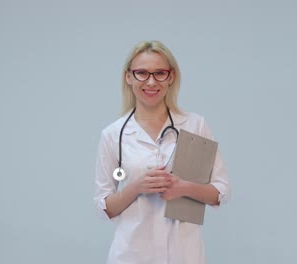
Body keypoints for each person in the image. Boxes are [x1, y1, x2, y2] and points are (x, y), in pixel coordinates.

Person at [94, 40, 230, 264]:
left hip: (184, 254)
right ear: (128, 77)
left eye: (159, 73)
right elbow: (103, 208)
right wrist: (136, 187)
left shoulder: (195, 125)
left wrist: (183, 188)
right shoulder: (113, 134)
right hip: (132, 255)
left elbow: (221, 192)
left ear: (171, 77)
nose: (151, 81)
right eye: (141, 73)